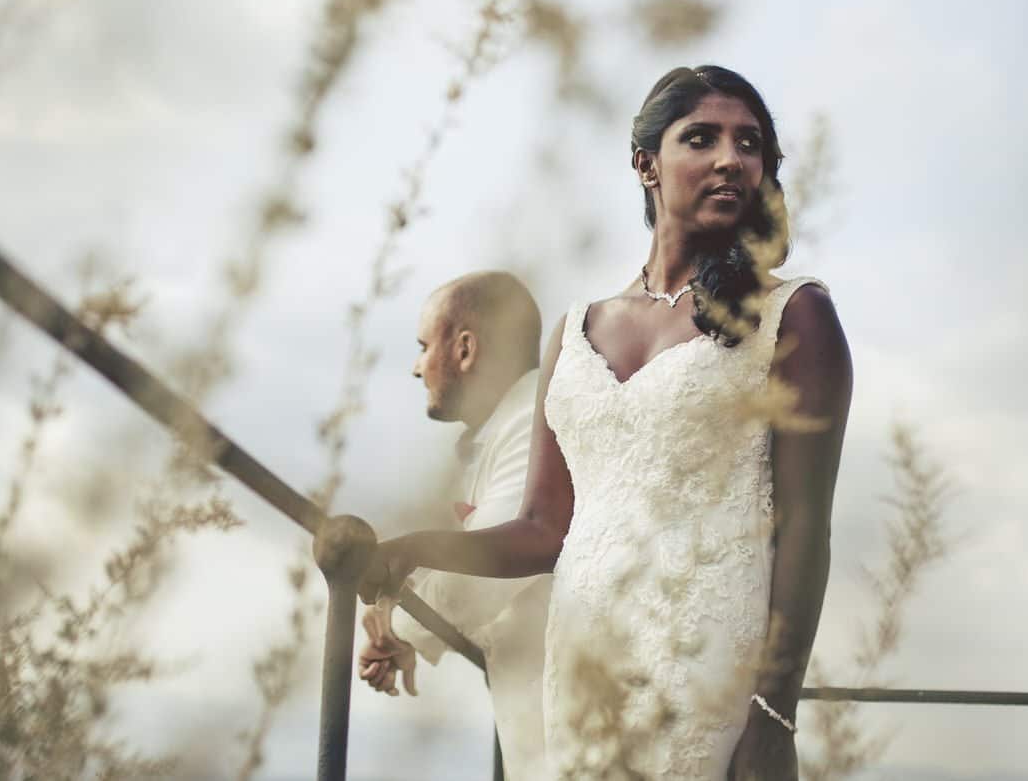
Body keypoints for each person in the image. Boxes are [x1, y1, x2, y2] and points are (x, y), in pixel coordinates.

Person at [359, 66, 853, 780]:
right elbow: (542, 528)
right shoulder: (575, 331)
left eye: (749, 143)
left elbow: (807, 527)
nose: (729, 158)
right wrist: (418, 546)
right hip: (583, 667)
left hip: (707, 668)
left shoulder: (794, 315)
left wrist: (774, 715)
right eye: (701, 137)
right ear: (645, 163)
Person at [357, 270, 552, 780]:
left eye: (424, 346)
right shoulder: (514, 423)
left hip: (571, 711)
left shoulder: (536, 421)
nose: (417, 368)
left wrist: (398, 630)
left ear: (465, 349)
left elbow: (488, 570)